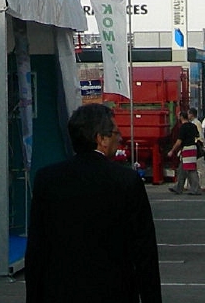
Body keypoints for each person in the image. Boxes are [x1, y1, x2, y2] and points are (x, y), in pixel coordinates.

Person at [26, 102, 161, 303]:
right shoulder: (126, 181)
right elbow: (144, 252)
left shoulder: (47, 179)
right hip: (114, 291)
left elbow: (36, 249)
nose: (120, 138)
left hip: (59, 292)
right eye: (116, 132)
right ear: (101, 139)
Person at [167, 109, 204, 195]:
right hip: (193, 148)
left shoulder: (183, 127)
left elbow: (179, 141)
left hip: (187, 149)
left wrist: (172, 150)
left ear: (181, 117)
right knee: (181, 169)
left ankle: (195, 189)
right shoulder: (193, 125)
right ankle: (178, 187)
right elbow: (197, 136)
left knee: (191, 170)